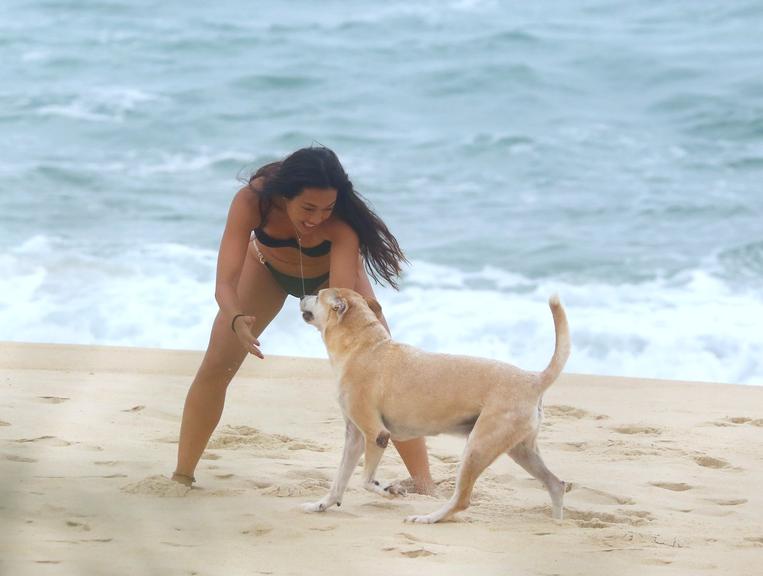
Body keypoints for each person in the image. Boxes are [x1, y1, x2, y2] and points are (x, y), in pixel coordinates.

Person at [173, 146, 435, 494]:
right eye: (308, 208)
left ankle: (423, 482)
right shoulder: (252, 202)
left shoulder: (341, 226)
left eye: (326, 209)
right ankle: (182, 476)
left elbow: (337, 299)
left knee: (385, 378)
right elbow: (224, 282)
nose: (316, 218)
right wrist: (236, 318)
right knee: (216, 365)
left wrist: (364, 320)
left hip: (331, 282)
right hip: (265, 269)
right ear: (284, 195)